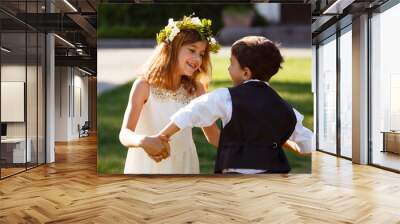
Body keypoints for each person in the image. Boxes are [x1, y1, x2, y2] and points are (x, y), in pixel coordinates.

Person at [157, 36, 313, 174]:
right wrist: (276, 140)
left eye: (232, 63)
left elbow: (190, 112)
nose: (228, 68)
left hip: (234, 177)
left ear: (246, 73)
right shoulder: (285, 108)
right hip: (274, 176)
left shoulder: (225, 97)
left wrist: (162, 136)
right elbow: (307, 146)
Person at [119, 16, 221, 174]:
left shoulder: (196, 89)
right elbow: (124, 134)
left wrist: (249, 151)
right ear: (172, 49)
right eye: (192, 50)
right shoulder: (144, 86)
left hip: (185, 165)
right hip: (147, 164)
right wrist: (144, 141)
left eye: (201, 54)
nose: (197, 59)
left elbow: (214, 136)